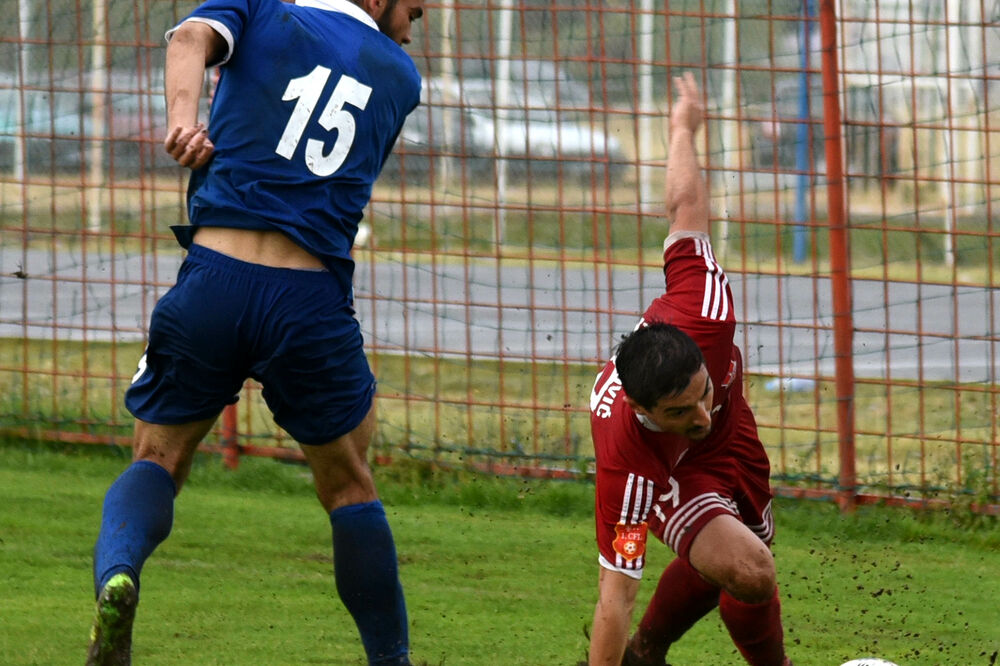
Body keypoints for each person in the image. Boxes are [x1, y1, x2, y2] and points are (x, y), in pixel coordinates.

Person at [86, 0, 424, 663]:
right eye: (416, 6)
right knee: (350, 486)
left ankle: (120, 576)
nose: (418, 20)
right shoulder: (399, 77)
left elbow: (187, 39)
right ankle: (393, 660)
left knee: (156, 458)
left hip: (213, 280)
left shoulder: (260, 9)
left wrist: (184, 126)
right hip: (310, 300)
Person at [586, 73, 792, 666]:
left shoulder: (706, 305)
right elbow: (615, 593)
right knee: (752, 569)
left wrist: (682, 128)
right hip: (668, 469)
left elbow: (685, 206)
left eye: (702, 393)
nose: (698, 414)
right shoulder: (628, 465)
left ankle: (647, 653)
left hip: (738, 433)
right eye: (680, 411)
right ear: (645, 410)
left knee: (752, 550)